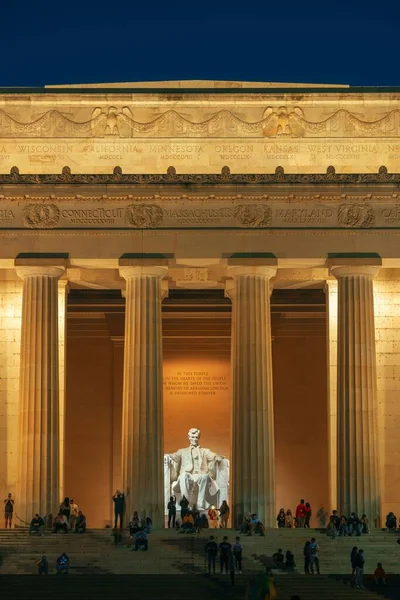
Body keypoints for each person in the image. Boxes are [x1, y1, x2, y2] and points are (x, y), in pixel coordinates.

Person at [167, 428, 224, 509]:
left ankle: (200, 504)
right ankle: (185, 504)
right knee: (183, 476)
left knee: (205, 476)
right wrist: (167, 456)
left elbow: (213, 455)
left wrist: (217, 457)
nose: (195, 439)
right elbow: (174, 456)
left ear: (199, 438)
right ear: (189, 437)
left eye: (196, 437)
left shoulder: (205, 451)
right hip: (188, 475)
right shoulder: (182, 451)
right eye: (193, 437)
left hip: (200, 475)